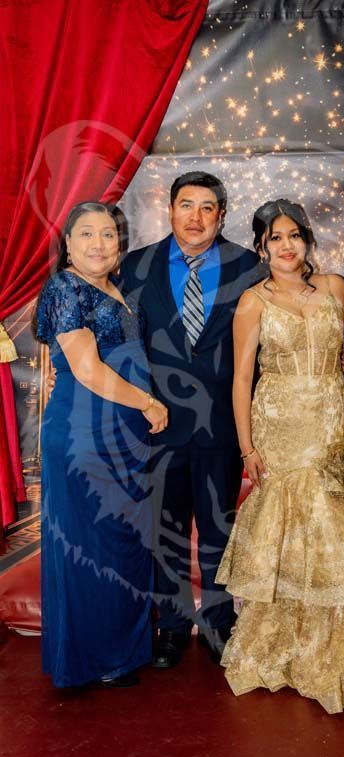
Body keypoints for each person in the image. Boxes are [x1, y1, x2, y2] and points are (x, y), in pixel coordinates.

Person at [216, 199, 344, 714]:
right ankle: (282, 649)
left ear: (306, 240)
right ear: (262, 247)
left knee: (332, 526)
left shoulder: (337, 287)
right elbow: (242, 378)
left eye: (294, 235)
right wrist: (247, 446)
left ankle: (333, 654)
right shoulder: (251, 303)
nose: (286, 246)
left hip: (331, 419)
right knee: (288, 532)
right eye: (275, 238)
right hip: (279, 423)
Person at [121, 172, 265, 667]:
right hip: (157, 426)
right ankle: (173, 625)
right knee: (166, 530)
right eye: (187, 205)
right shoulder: (135, 268)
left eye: (208, 207)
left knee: (219, 527)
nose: (196, 217)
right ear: (170, 210)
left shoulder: (249, 267)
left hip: (222, 425)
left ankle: (219, 623)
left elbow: (261, 353)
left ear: (221, 215)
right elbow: (125, 350)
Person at [34, 202, 168, 688]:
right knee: (90, 543)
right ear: (67, 243)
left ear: (120, 243)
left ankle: (121, 653)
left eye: (108, 234)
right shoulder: (65, 287)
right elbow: (88, 371)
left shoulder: (114, 287)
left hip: (123, 432)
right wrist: (149, 403)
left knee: (123, 541)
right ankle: (89, 659)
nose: (97, 243)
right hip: (85, 431)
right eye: (85, 234)